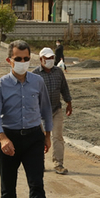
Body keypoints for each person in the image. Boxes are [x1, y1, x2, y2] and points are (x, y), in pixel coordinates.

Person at [0, 40, 54, 198]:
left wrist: (47, 135)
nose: (23, 62)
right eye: (18, 59)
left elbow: (46, 109)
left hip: (34, 138)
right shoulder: (0, 86)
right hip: (9, 139)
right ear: (9, 60)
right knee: (8, 185)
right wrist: (2, 138)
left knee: (37, 184)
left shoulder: (37, 82)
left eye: (26, 59)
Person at [33, 47, 72, 175]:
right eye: (47, 58)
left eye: (51, 58)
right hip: (39, 112)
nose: (50, 60)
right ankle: (39, 163)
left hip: (56, 110)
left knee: (57, 137)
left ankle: (58, 164)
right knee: (40, 138)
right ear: (41, 59)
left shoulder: (58, 72)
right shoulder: (34, 75)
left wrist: (68, 103)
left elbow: (64, 88)